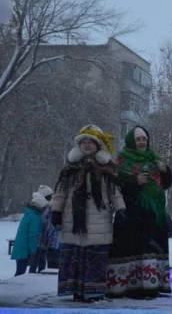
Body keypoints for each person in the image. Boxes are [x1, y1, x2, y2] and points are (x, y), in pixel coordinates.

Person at [50, 124, 126, 303]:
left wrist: (121, 209)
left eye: (90, 142)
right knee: (75, 258)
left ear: (98, 145)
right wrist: (56, 211)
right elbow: (60, 192)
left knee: (95, 258)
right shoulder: (70, 167)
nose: (86, 145)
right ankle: (76, 290)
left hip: (99, 220)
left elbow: (115, 192)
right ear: (79, 145)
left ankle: (94, 291)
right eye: (83, 142)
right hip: (73, 220)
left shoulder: (107, 167)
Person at [107, 126, 172, 299]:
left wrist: (166, 171)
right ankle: (131, 287)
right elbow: (117, 184)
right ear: (131, 141)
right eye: (138, 139)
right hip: (131, 215)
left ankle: (152, 286)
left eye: (144, 139)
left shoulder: (153, 159)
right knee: (132, 248)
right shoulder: (122, 160)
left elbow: (165, 184)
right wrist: (134, 181)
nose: (142, 142)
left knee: (151, 248)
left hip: (153, 216)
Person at [11, 192, 49, 276]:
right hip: (26, 249)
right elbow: (33, 236)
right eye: (43, 207)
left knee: (19, 271)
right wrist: (33, 251)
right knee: (21, 273)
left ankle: (15, 287)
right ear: (39, 207)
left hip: (20, 248)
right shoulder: (35, 218)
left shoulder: (27, 215)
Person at [34, 184, 57, 272]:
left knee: (52, 267)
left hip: (51, 241)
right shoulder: (50, 205)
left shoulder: (50, 206)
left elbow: (46, 224)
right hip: (49, 242)